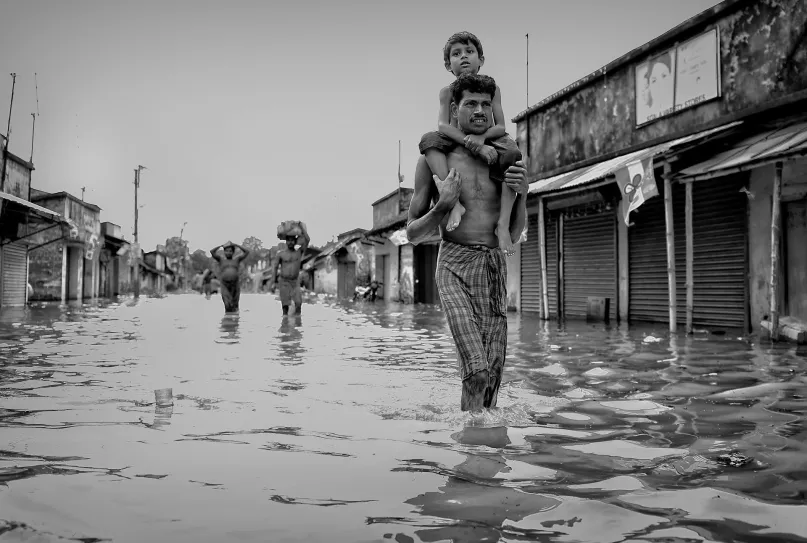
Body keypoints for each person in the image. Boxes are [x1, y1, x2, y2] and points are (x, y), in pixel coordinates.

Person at [406, 73, 529, 412]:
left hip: (493, 266)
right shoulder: (434, 161)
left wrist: (524, 193)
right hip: (453, 265)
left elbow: (515, 234)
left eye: (486, 105)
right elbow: (412, 234)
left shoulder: (503, 159)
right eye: (470, 104)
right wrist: (444, 205)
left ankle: (481, 449)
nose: (479, 110)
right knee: (475, 370)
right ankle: (471, 449)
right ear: (454, 110)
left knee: (492, 375)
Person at [419, 31, 522, 257]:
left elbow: (501, 126)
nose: (464, 57)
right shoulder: (447, 92)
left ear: (481, 59)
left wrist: (483, 139)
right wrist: (471, 144)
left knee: (512, 152)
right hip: (456, 138)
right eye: (456, 54)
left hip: (487, 135)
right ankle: (454, 202)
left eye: (469, 52)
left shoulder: (491, 88)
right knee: (429, 142)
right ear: (448, 64)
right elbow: (443, 127)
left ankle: (503, 224)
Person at [269, 222, 310, 316]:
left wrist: (302, 228)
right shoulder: (280, 254)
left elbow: (307, 240)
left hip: (295, 282)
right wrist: (273, 283)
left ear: (295, 241)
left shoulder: (299, 252)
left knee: (298, 303)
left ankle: (297, 324)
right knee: (285, 306)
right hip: (284, 282)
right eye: (289, 240)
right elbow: (275, 268)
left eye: (292, 240)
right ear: (286, 241)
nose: (290, 242)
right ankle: (285, 325)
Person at [210, 242, 250, 313]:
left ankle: (235, 321)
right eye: (226, 251)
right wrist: (221, 245)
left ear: (233, 252)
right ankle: (227, 321)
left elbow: (247, 252)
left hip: (235, 284)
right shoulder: (221, 259)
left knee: (235, 304)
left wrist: (236, 245)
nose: (228, 252)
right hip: (225, 284)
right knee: (227, 304)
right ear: (224, 252)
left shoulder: (237, 259)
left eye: (230, 251)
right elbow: (212, 252)